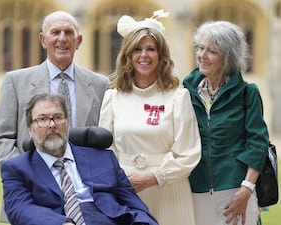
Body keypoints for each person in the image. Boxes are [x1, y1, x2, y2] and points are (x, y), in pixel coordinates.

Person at [0, 10, 109, 223]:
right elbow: (2, 138)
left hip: (85, 198)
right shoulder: (16, 81)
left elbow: (102, 139)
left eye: (68, 32)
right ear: (43, 40)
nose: (62, 38)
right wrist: (27, 176)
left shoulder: (100, 85)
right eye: (55, 32)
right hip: (31, 195)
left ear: (79, 40)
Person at [99, 10, 201, 225]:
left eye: (150, 49)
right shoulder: (112, 97)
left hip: (169, 190)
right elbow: (105, 152)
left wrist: (153, 178)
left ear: (161, 55)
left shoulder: (178, 97)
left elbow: (189, 153)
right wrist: (119, 181)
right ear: (128, 55)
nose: (143, 55)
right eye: (137, 49)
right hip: (126, 191)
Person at [1, 92, 158, 225]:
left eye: (58, 117)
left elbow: (136, 206)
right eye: (42, 119)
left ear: (67, 123)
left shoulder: (103, 158)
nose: (52, 125)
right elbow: (20, 209)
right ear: (30, 129)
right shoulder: (17, 168)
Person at [182, 21, 269, 225]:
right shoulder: (185, 93)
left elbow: (257, 143)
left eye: (211, 51)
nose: (202, 55)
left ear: (228, 56)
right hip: (195, 189)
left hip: (236, 189)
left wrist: (246, 189)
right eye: (200, 48)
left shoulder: (248, 93)